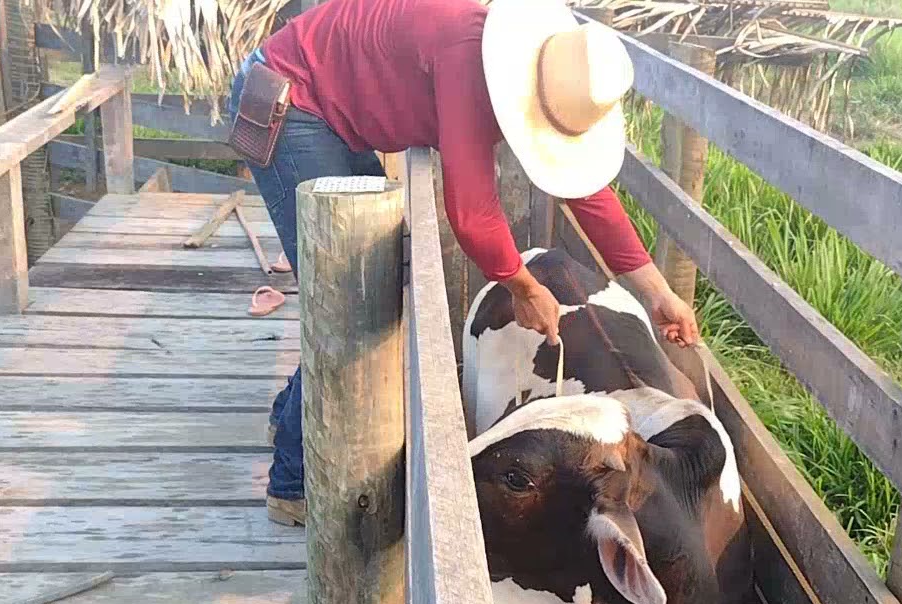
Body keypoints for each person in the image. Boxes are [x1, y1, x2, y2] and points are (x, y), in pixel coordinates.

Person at [226, 0, 701, 527]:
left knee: (361, 294)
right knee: (348, 307)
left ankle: (287, 418)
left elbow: (587, 194)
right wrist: (521, 285)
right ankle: (292, 483)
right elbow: (472, 214)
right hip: (293, 104)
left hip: (327, 110)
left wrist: (658, 292)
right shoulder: (469, 58)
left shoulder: (534, 65)